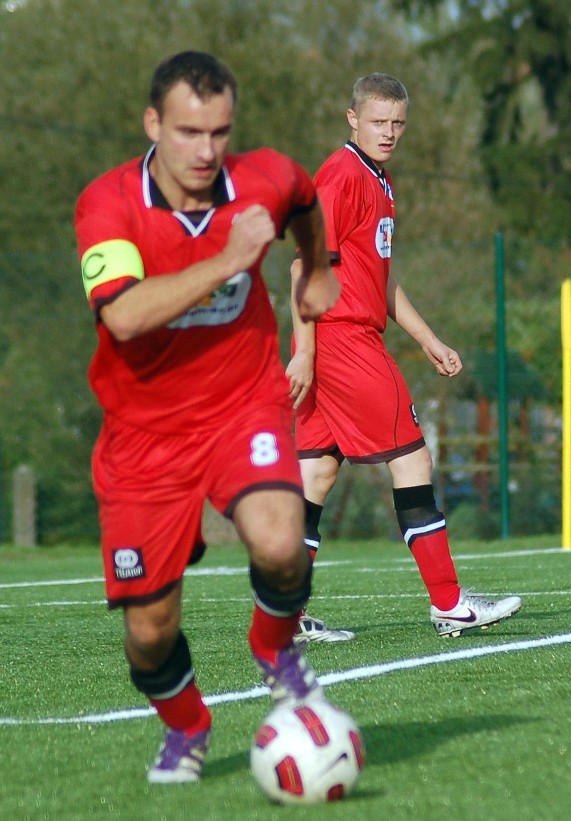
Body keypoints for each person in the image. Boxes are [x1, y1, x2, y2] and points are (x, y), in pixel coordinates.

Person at [74, 51, 341, 783]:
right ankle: (188, 725)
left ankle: (274, 647)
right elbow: (124, 316)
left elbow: (303, 197)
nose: (205, 151)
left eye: (220, 132)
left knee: (283, 541)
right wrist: (230, 259)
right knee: (149, 634)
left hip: (240, 400)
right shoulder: (107, 204)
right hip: (143, 434)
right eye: (189, 132)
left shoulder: (261, 176)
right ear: (153, 123)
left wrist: (317, 271)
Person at [286, 73, 522, 641]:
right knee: (413, 462)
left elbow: (380, 280)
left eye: (397, 123)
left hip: (341, 338)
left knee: (315, 474)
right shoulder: (341, 177)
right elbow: (303, 268)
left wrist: (428, 339)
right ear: (352, 119)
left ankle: (281, 616)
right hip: (341, 339)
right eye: (378, 121)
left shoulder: (380, 181)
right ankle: (449, 603)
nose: (389, 132)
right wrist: (307, 354)